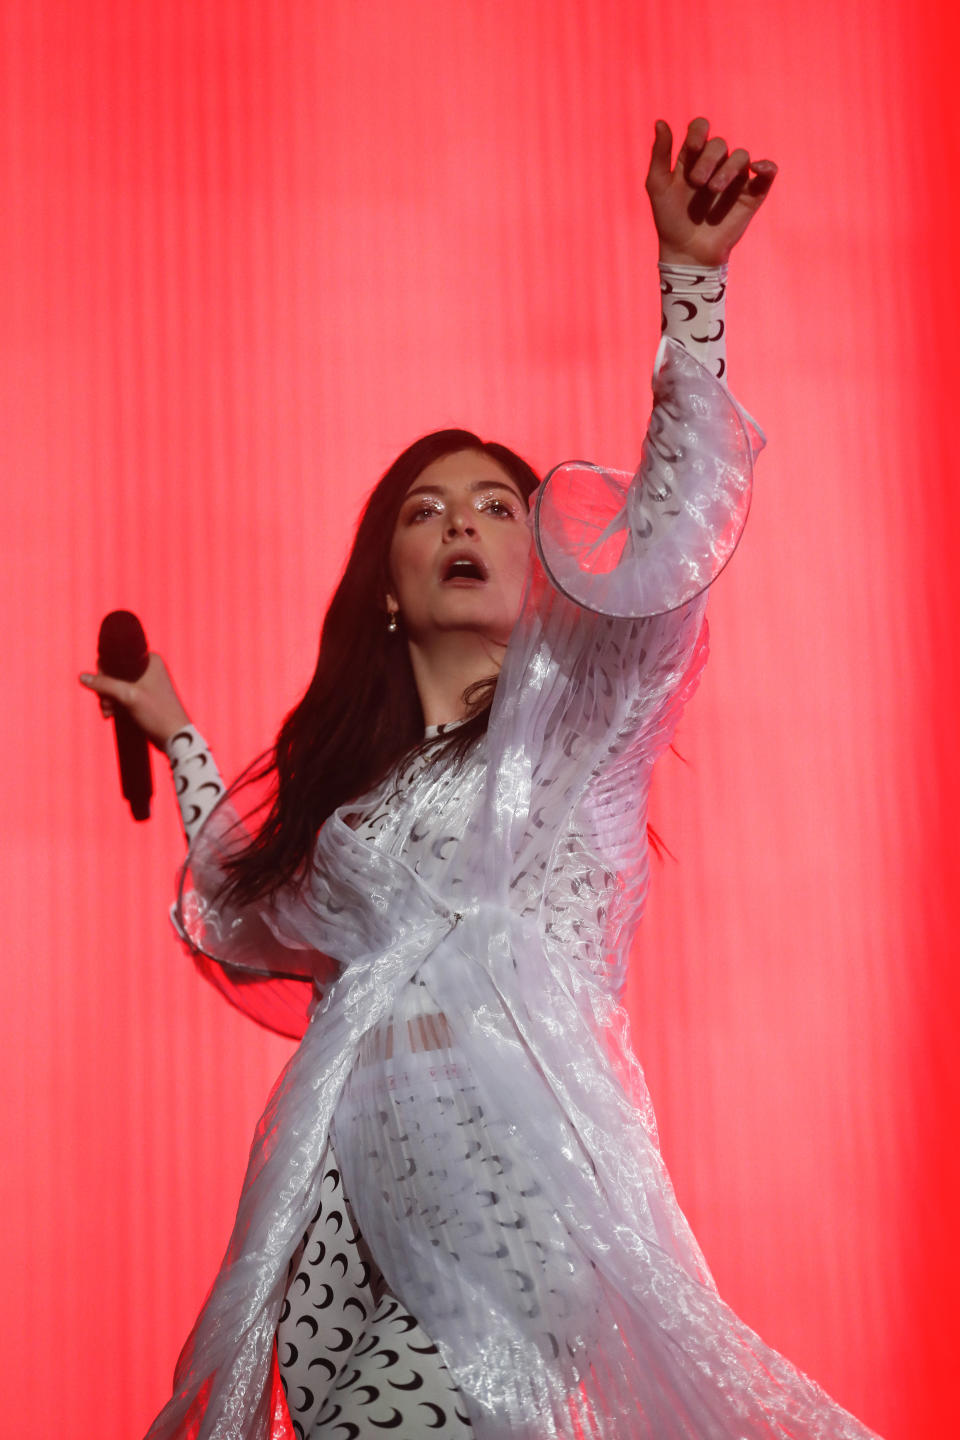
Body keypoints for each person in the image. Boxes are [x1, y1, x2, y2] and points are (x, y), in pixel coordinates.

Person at [81, 119, 882, 1440]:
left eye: (497, 503)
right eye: (423, 509)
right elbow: (234, 907)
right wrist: (180, 738)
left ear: (550, 565)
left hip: (511, 1178)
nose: (460, 520)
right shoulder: (348, 824)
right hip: (335, 1191)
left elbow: (679, 521)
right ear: (389, 592)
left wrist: (692, 287)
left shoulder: (584, 729)